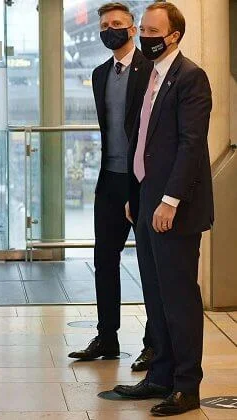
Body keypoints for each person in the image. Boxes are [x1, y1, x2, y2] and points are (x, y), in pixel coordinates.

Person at [113, 3, 213, 416]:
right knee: (155, 295)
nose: (145, 36)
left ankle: (187, 387)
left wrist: (169, 200)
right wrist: (136, 195)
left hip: (175, 205)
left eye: (153, 30)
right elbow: (144, 141)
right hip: (145, 197)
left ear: (173, 35)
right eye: (144, 29)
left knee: (179, 297)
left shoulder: (190, 78)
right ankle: (160, 376)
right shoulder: (150, 76)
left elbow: (191, 145)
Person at [68, 2, 154, 372]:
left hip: (145, 181)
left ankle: (155, 342)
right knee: (104, 259)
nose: (110, 29)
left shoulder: (151, 70)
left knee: (150, 264)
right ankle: (108, 337)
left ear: (132, 28)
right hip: (110, 180)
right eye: (105, 25)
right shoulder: (100, 73)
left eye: (117, 23)